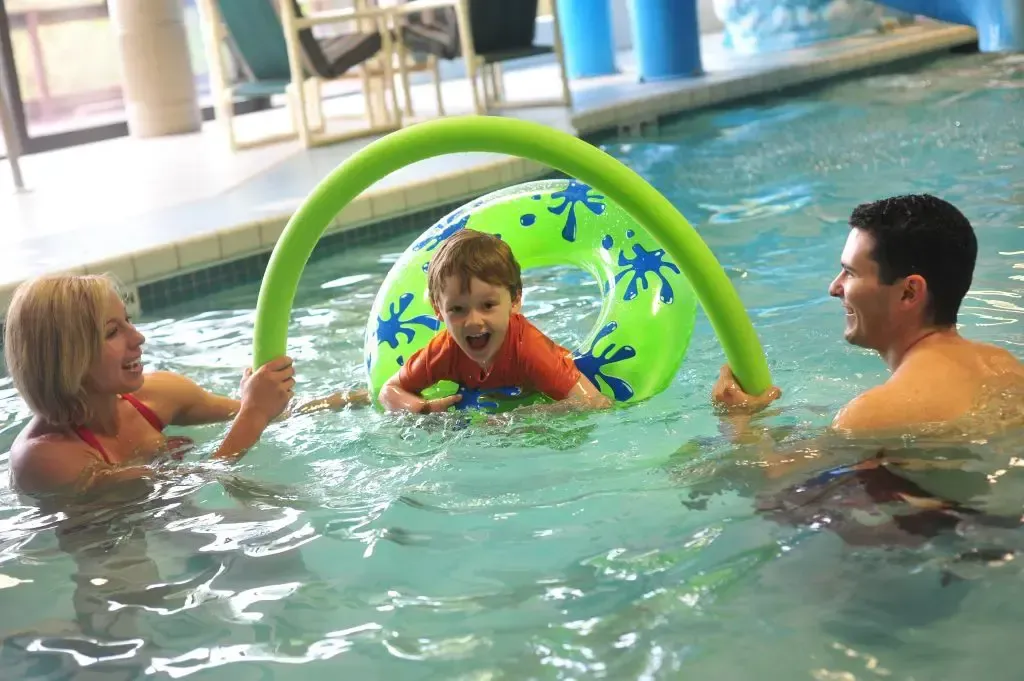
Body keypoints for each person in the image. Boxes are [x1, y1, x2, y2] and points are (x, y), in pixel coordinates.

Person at [4, 274, 367, 501]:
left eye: (128, 321)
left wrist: (361, 397)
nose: (139, 337)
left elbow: (276, 413)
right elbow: (191, 483)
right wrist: (252, 413)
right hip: (111, 548)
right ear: (68, 359)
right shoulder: (45, 459)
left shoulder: (157, 394)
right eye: (113, 332)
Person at [712, 193, 1024, 437]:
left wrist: (738, 422)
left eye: (849, 273)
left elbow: (770, 487)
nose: (834, 288)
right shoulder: (1005, 368)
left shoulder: (870, 415)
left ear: (909, 293)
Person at [378, 228, 612, 414]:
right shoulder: (443, 350)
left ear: (515, 300)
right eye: (457, 309)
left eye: (488, 305)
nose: (473, 321)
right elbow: (389, 390)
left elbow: (594, 402)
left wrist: (521, 418)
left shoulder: (529, 350)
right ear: (438, 310)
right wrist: (423, 409)